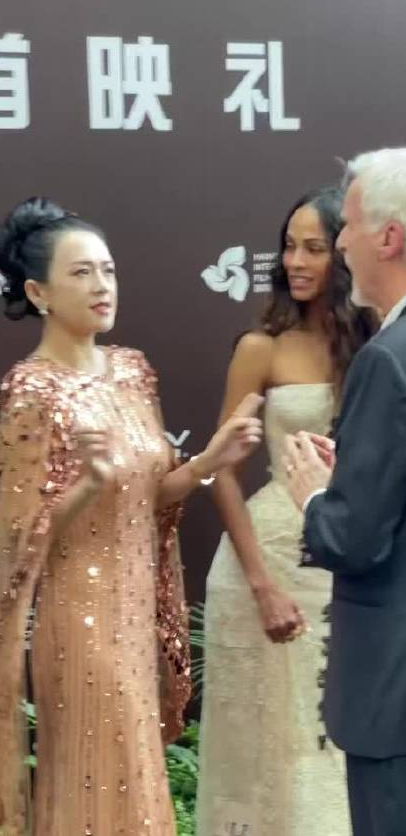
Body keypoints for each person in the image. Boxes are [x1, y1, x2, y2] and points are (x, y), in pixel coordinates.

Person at [0, 196, 262, 836]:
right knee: (96, 770)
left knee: (135, 772)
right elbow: (16, 539)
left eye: (108, 270)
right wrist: (86, 487)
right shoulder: (31, 390)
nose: (102, 286)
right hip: (78, 616)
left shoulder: (132, 370)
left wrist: (208, 461)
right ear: (37, 292)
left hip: (136, 610)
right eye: (81, 273)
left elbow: (150, 496)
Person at [283, 148, 406, 836]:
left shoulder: (394, 356)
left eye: (349, 226)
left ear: (389, 237)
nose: (339, 245)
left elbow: (351, 538)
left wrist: (314, 496)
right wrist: (360, 470)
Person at [196, 186, 378, 836]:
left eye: (314, 248)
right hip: (266, 562)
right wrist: (261, 585)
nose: (295, 261)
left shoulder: (381, 343)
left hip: (348, 558)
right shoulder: (262, 347)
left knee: (337, 744)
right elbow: (220, 466)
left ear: (345, 254)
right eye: (288, 246)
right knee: (264, 753)